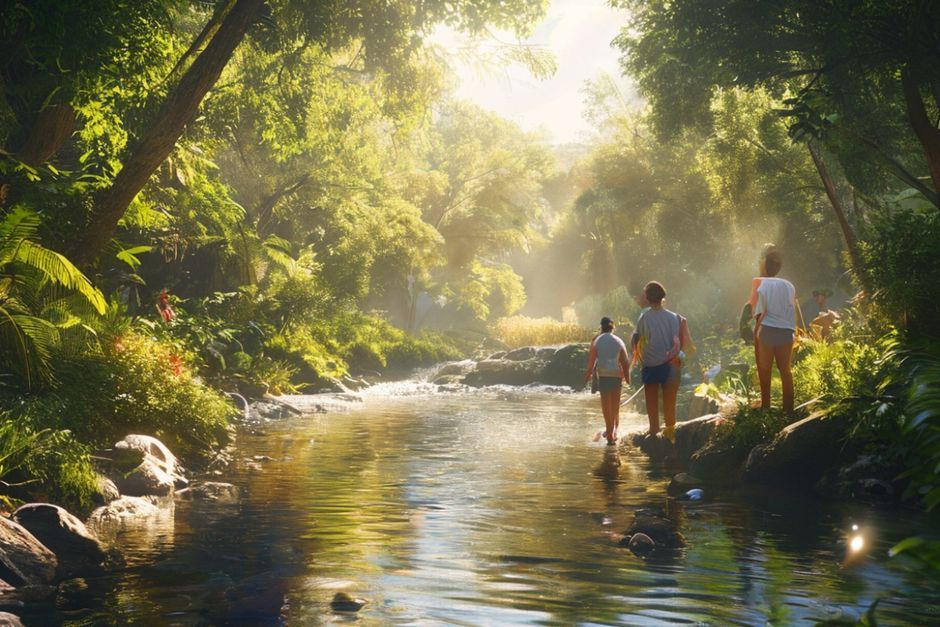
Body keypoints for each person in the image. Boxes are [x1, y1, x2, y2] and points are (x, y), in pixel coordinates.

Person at [632, 281, 692, 441]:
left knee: (651, 402)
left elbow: (640, 340)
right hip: (671, 364)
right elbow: (678, 341)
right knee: (669, 403)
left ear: (647, 297)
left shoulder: (644, 317)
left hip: (651, 364)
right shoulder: (674, 317)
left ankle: (653, 432)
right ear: (662, 296)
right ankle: (670, 434)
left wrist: (641, 358)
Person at [752, 246, 802, 414]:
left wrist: (755, 333)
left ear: (764, 265)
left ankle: (765, 407)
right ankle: (788, 410)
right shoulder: (789, 285)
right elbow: (790, 307)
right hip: (786, 332)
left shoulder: (762, 285)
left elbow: (759, 313)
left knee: (765, 369)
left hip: (768, 331)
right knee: (785, 371)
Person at [584, 317, 631, 446]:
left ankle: (609, 434)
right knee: (615, 406)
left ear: (601, 327)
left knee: (606, 407)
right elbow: (625, 362)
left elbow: (591, 361)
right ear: (613, 327)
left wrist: (587, 375)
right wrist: (627, 378)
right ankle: (614, 431)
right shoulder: (619, 341)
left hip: (603, 375)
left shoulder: (596, 341)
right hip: (616, 375)